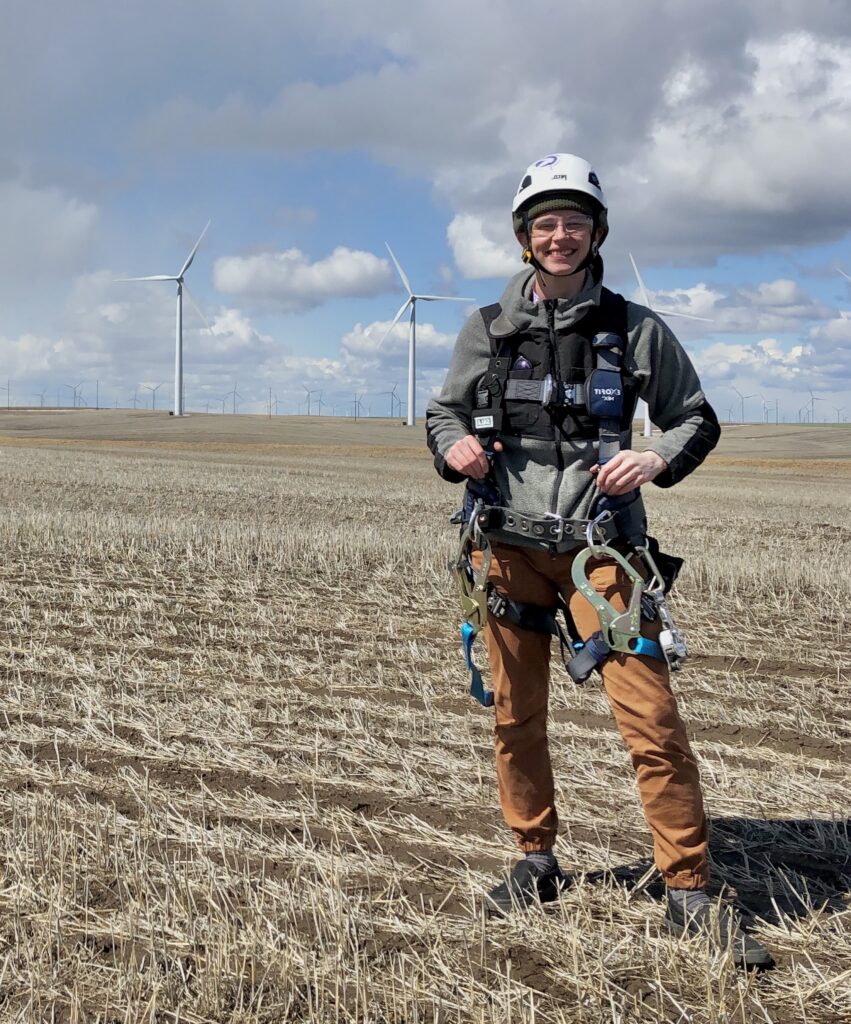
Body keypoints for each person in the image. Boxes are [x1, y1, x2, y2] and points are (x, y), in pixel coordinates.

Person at [425, 153, 772, 968]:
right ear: (523, 236)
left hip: (601, 556)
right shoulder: (485, 327)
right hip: (507, 549)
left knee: (650, 720)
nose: (558, 234)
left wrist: (652, 459)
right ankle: (534, 859)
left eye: (573, 220)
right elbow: (442, 412)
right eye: (543, 221)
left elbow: (694, 418)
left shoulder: (635, 327)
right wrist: (458, 449)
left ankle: (686, 885)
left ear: (595, 232)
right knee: (514, 718)